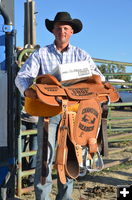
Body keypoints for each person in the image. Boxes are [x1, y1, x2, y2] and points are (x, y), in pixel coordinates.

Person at [15, 11, 105, 200]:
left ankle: (65, 197)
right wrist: (27, 90)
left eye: (66, 28)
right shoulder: (41, 53)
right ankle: (43, 197)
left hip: (73, 112)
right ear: (53, 31)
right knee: (44, 158)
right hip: (49, 111)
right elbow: (22, 77)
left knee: (71, 156)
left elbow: (100, 78)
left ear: (71, 31)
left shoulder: (81, 55)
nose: (62, 31)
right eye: (58, 28)